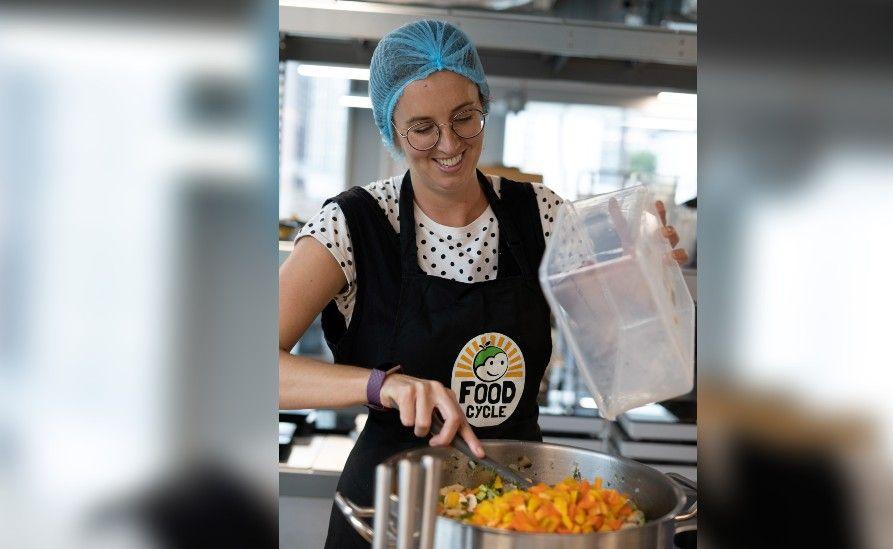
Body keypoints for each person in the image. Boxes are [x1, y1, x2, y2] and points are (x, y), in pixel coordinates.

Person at [277, 19, 687, 549]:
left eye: (464, 117)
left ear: (483, 105)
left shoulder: (541, 214)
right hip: (390, 511)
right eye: (422, 127)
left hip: (515, 510)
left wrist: (644, 281)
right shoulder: (353, 225)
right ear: (390, 128)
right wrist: (384, 384)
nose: (449, 144)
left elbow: (619, 363)